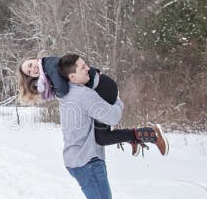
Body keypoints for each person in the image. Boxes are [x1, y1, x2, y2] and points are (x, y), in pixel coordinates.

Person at [17, 55, 169, 156]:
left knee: (102, 138)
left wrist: (57, 92)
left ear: (34, 59)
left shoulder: (48, 64)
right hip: (100, 88)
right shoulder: (47, 74)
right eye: (29, 71)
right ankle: (134, 136)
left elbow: (63, 90)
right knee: (100, 136)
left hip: (103, 88)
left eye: (30, 64)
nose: (32, 69)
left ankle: (150, 133)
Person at [57, 53, 125, 199]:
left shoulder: (66, 93)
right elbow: (113, 116)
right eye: (82, 67)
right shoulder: (84, 96)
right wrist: (119, 99)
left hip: (76, 159)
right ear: (72, 77)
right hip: (87, 161)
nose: (88, 68)